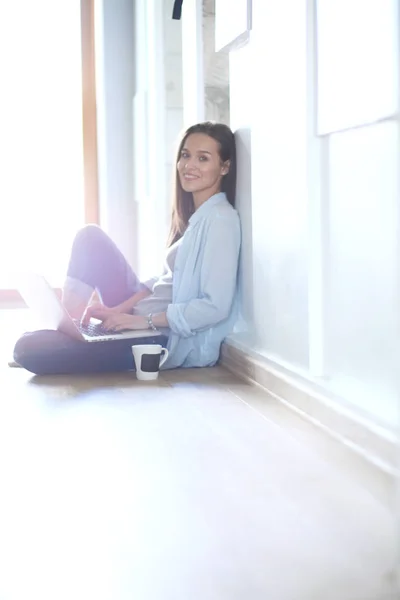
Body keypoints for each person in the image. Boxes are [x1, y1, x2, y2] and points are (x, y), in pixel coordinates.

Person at [13, 121, 241, 375]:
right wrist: (119, 311)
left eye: (203, 158)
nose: (189, 165)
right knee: (90, 238)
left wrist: (143, 321)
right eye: (186, 155)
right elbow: (162, 282)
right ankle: (73, 327)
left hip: (161, 338)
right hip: (141, 317)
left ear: (225, 167)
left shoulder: (221, 221)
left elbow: (215, 307)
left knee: (28, 347)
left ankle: (70, 337)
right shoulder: (198, 219)